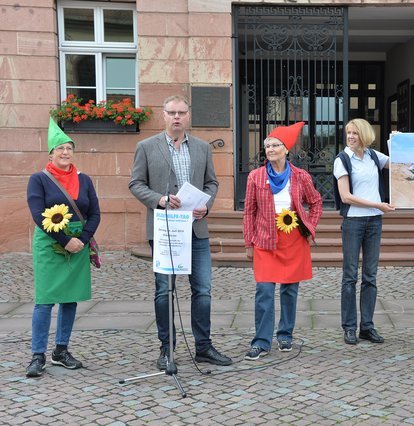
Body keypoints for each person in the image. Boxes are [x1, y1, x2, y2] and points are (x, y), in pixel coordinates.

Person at [129, 95, 232, 369]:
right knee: (164, 290)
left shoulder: (201, 148)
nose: (176, 117)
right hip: (164, 231)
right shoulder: (146, 147)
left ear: (188, 116)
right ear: (163, 116)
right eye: (172, 112)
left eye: (181, 112)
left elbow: (212, 183)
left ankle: (203, 347)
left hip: (195, 229)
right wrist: (159, 200)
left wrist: (205, 206)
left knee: (203, 290)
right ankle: (167, 349)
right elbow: (136, 184)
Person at [25, 118, 101, 377]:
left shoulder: (85, 179)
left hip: (78, 245)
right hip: (50, 244)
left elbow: (95, 213)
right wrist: (64, 240)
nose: (65, 152)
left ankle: (61, 350)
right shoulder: (38, 180)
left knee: (70, 299)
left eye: (69, 148)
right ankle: (38, 355)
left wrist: (83, 238)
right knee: (44, 300)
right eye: (60, 148)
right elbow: (38, 214)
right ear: (51, 153)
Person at [243, 122, 323, 360]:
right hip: (265, 239)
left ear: (286, 149)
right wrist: (249, 242)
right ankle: (261, 341)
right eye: (267, 145)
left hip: (293, 238)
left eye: (276, 145)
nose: (270, 149)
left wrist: (310, 226)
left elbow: (316, 202)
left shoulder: (301, 176)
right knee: (264, 291)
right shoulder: (256, 177)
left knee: (290, 290)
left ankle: (285, 334)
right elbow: (249, 211)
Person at [333, 118, 395, 345]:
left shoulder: (373, 156)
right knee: (350, 277)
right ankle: (349, 327)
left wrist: (396, 142)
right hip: (353, 222)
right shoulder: (342, 160)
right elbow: (346, 197)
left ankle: (367, 326)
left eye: (355, 133)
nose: (350, 137)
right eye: (348, 133)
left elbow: (400, 164)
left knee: (370, 276)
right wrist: (378, 205)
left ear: (364, 135)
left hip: (374, 222)